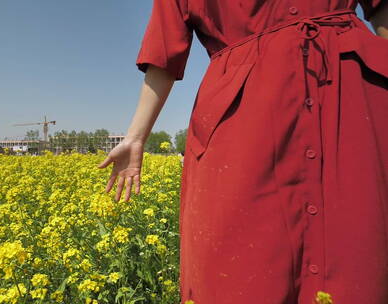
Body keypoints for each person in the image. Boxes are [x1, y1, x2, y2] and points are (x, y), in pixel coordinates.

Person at [98, 0, 388, 303]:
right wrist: (136, 137)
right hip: (243, 116)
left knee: (359, 264)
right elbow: (165, 44)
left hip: (354, 95)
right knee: (241, 272)